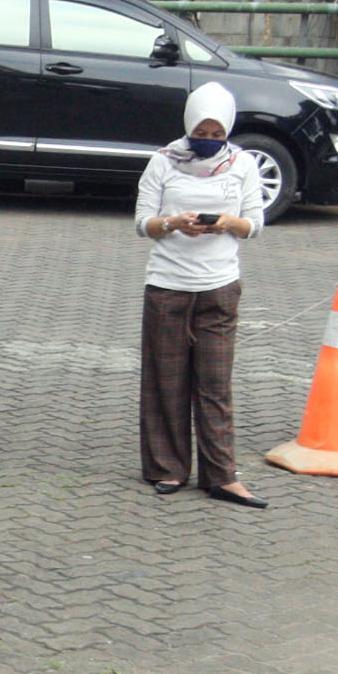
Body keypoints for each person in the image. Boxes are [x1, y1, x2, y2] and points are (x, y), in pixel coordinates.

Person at [135, 82, 268, 507]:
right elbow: (142, 223)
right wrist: (173, 223)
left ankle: (221, 475)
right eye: (200, 132)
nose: (208, 140)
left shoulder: (242, 164)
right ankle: (168, 468)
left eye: (217, 134)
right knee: (166, 382)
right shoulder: (162, 162)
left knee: (215, 385)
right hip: (168, 287)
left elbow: (254, 224)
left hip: (219, 288)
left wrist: (228, 222)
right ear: (188, 125)